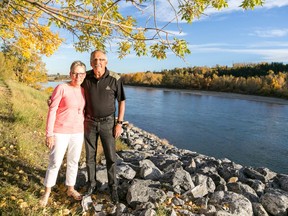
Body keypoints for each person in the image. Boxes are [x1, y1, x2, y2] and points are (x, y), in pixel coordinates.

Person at [39, 61, 87, 207]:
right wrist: (49, 134)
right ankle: (46, 192)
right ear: (70, 73)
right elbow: (52, 110)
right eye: (74, 73)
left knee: (73, 162)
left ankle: (70, 188)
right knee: (55, 163)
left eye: (81, 73)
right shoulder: (61, 87)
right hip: (60, 131)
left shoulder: (84, 90)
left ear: (85, 75)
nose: (77, 76)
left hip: (78, 132)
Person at [82, 50, 126, 204]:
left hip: (108, 123)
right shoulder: (85, 77)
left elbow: (121, 101)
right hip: (89, 122)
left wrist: (119, 123)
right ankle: (91, 184)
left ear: (106, 62)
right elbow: (72, 88)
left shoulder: (115, 78)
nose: (98, 62)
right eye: (95, 59)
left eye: (101, 59)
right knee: (90, 157)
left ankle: (113, 188)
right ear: (90, 62)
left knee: (111, 157)